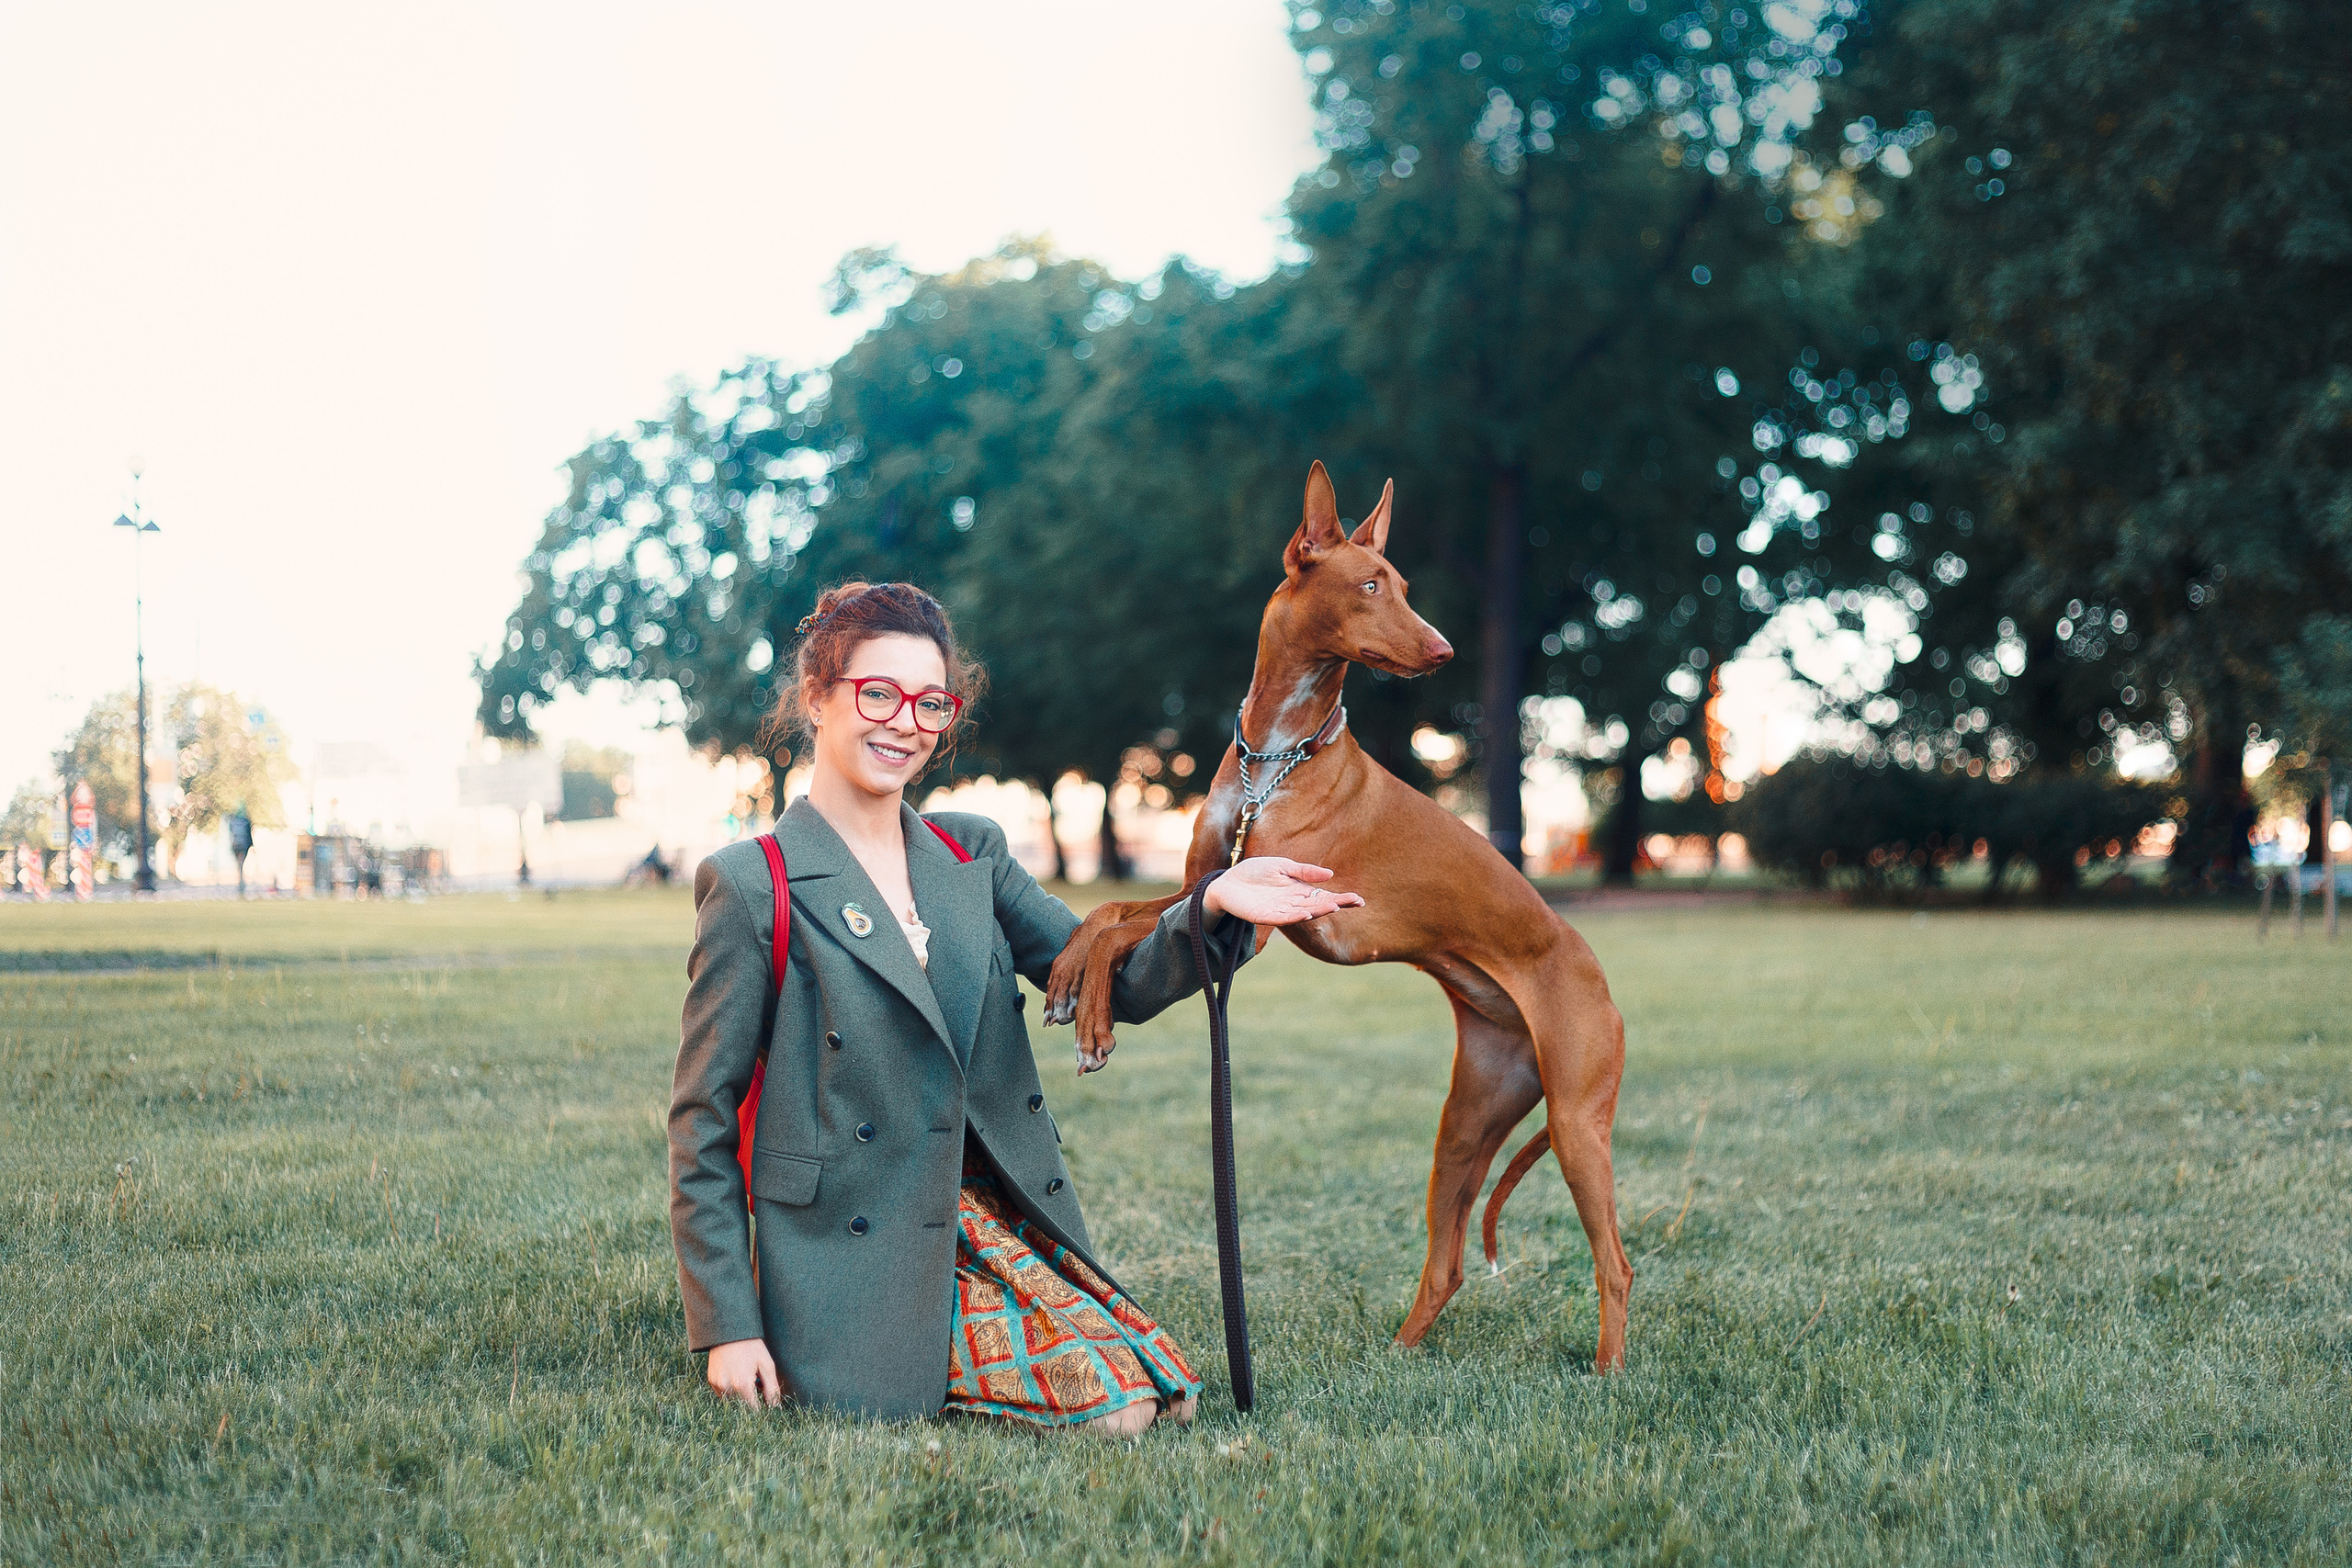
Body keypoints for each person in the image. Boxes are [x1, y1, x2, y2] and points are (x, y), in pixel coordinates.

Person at [667, 581, 1362, 1435]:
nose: (904, 722)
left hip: (988, 1219)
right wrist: (728, 1331)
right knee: (1121, 1413)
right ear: (819, 695)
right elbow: (700, 1120)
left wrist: (1214, 902)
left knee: (1164, 1393)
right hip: (851, 1251)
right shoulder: (751, 883)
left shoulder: (973, 853)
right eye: (876, 693)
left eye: (930, 703)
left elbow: (1117, 979)